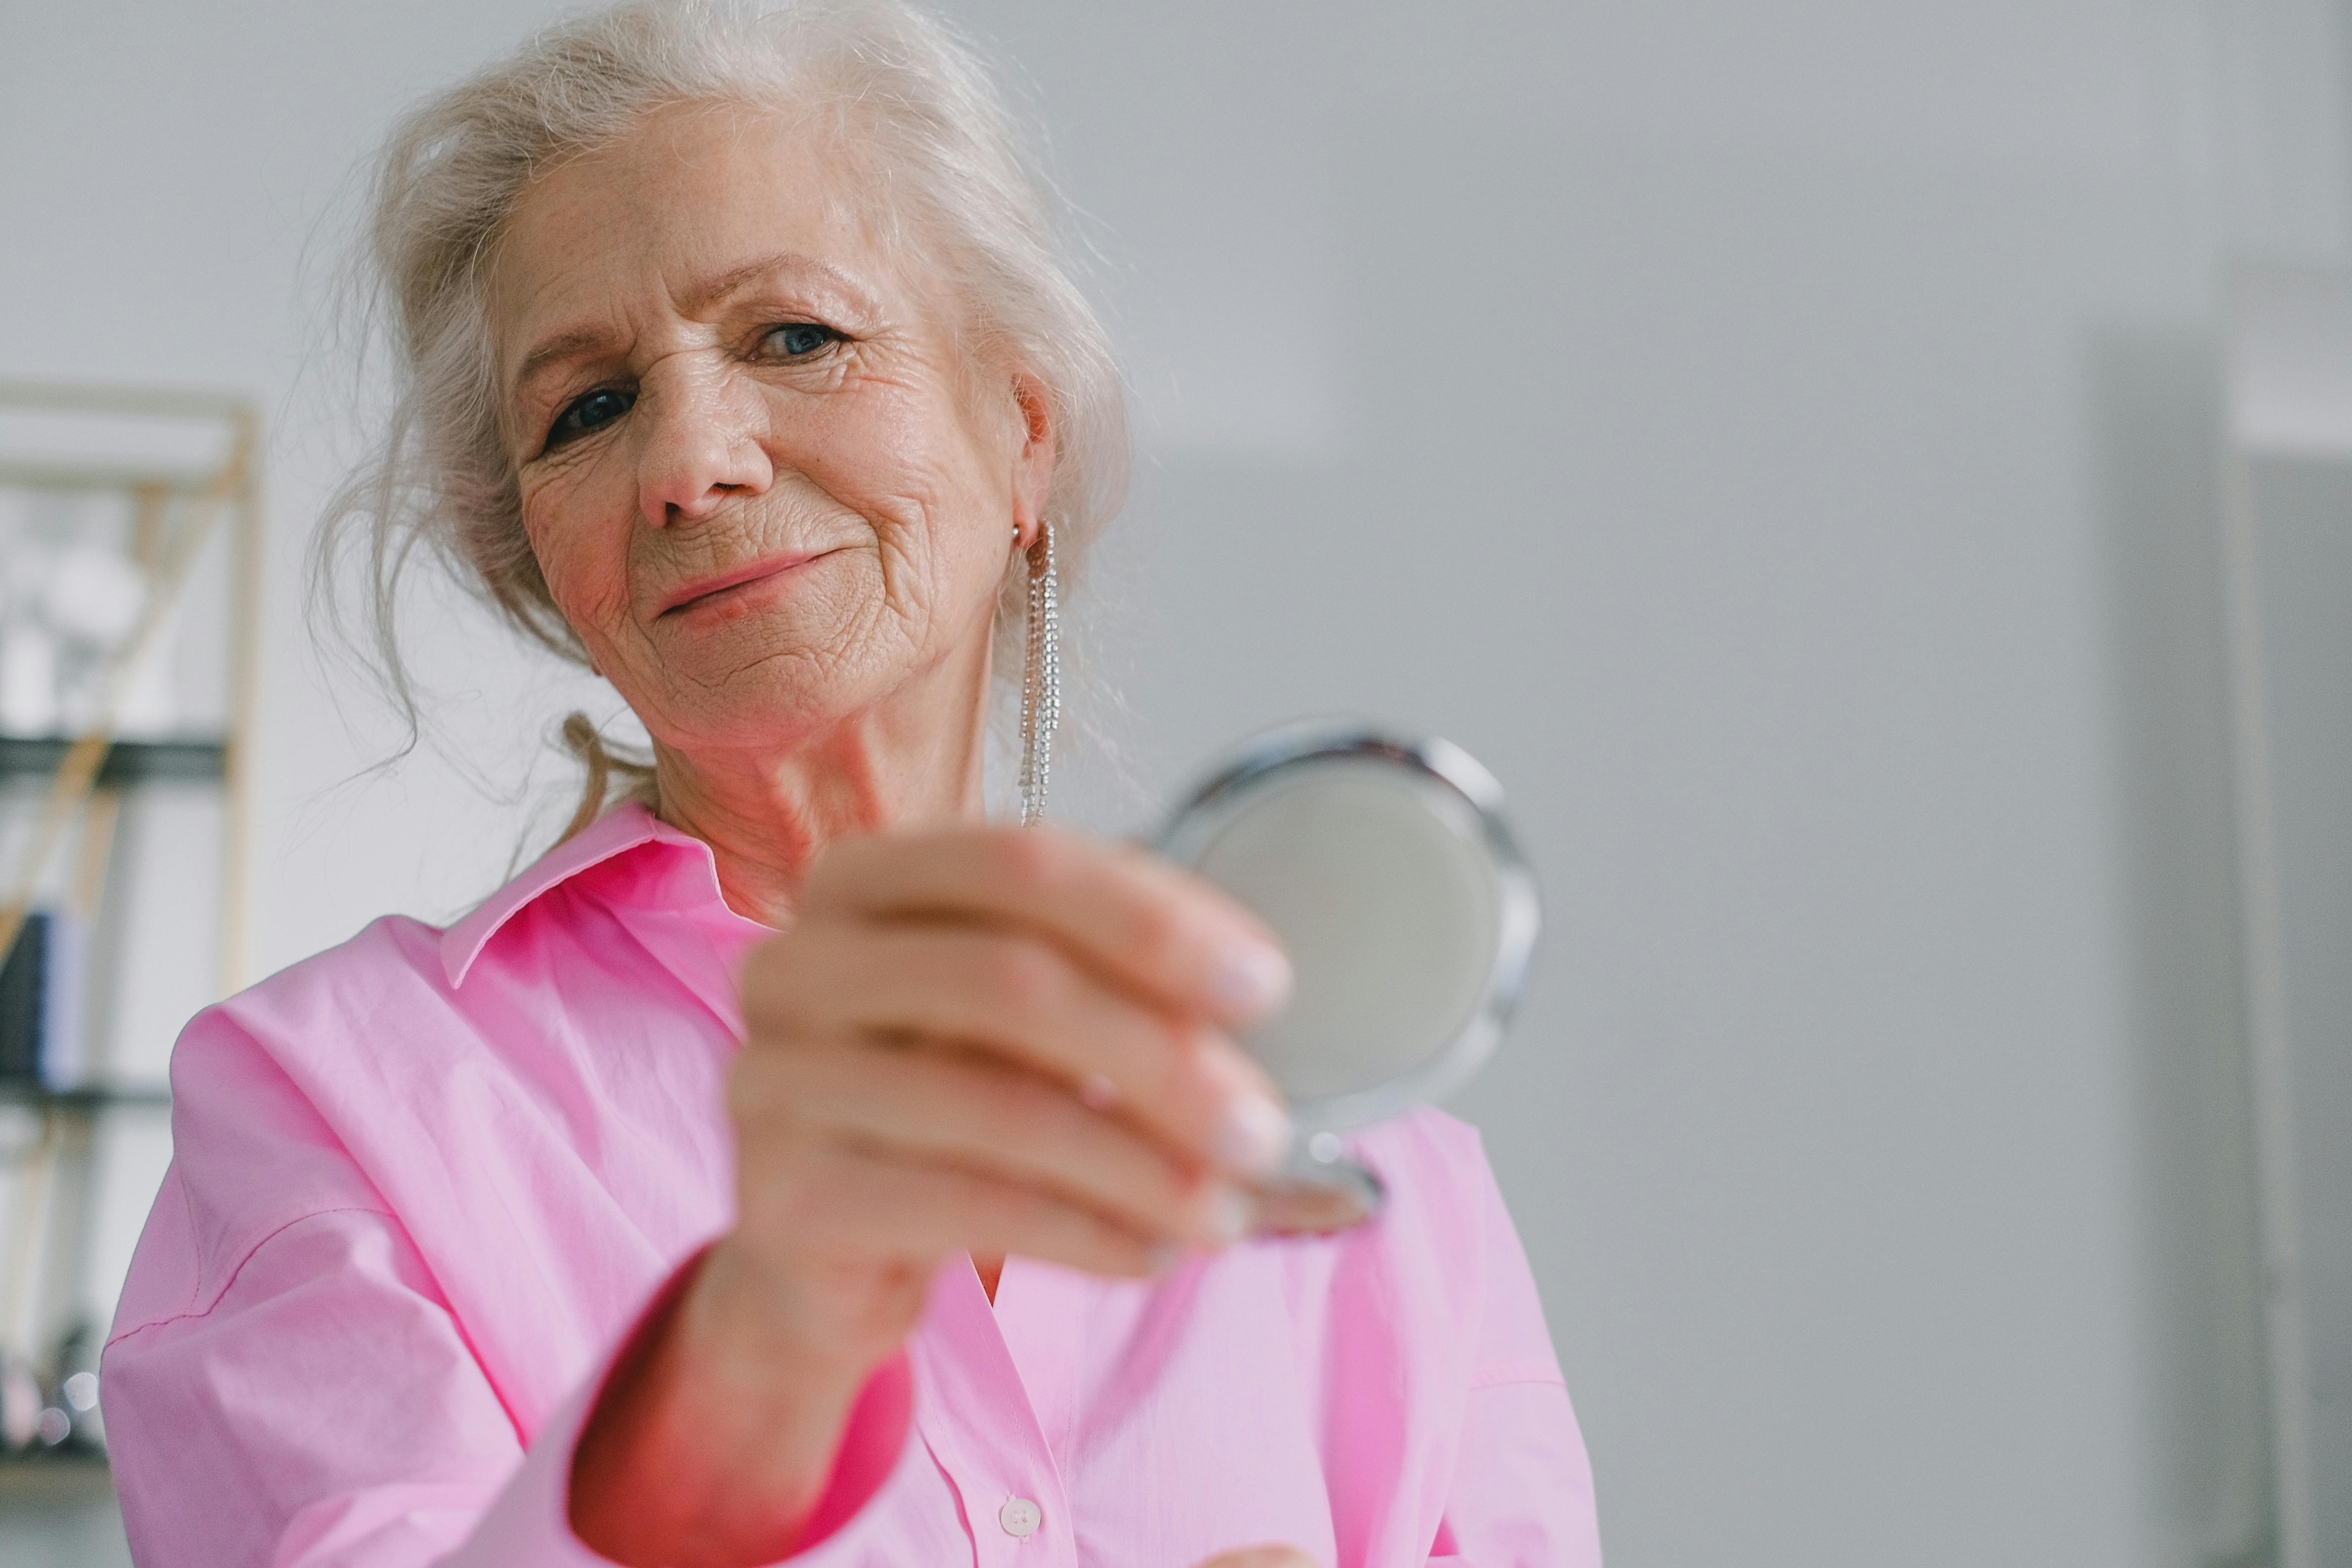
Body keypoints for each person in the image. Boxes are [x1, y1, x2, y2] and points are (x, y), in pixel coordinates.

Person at [100, 2, 1602, 1563]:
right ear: (546, 565)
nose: (692, 456)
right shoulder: (322, 1104)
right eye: (588, 406)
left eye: (795, 336)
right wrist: (745, 1357)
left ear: (1022, 434)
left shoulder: (1369, 1154)